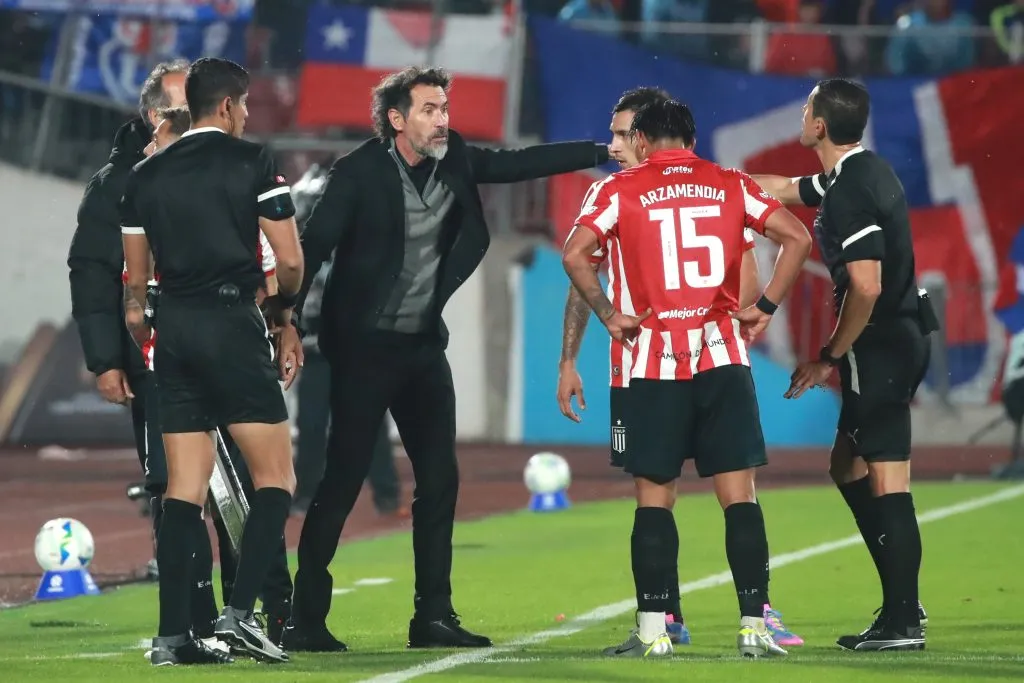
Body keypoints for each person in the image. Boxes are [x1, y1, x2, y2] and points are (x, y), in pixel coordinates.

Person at [286, 66, 611, 652]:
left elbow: (516, 164)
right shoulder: (357, 173)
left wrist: (599, 152)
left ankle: (432, 615)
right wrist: (286, 321)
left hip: (420, 349)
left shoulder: (454, 156)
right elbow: (313, 247)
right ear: (397, 119)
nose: (443, 120)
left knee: (440, 480)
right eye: (430, 110)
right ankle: (305, 618)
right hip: (362, 351)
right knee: (342, 480)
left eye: (445, 109)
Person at [556, 87, 804, 649]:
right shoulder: (731, 184)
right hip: (721, 358)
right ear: (692, 140)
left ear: (642, 139)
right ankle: (755, 625)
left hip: (649, 364)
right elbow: (797, 236)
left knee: (654, 500)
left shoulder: (617, 190)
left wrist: (610, 315)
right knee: (740, 497)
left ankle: (656, 631)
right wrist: (765, 307)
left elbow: (574, 256)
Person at [120, 57, 304, 666]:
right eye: (243, 104)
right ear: (226, 106)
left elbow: (135, 288)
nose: (246, 115)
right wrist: (283, 309)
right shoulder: (252, 160)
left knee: (184, 490)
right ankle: (240, 616)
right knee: (276, 479)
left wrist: (151, 327)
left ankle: (173, 637)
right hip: (232, 325)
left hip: (174, 331)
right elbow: (290, 261)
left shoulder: (144, 176)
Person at [750, 78, 934, 652]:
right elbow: (782, 188)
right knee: (846, 466)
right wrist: (706, 181)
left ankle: (903, 619)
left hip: (880, 346)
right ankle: (903, 598)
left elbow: (867, 285)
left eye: (806, 107)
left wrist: (829, 356)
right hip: (897, 337)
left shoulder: (851, 189)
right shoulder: (853, 173)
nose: (802, 115)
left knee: (887, 477)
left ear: (820, 125)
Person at [68, 59, 188, 577]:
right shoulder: (116, 183)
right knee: (167, 472)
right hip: (153, 351)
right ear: (153, 115)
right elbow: (92, 272)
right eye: (182, 106)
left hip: (222, 344)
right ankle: (178, 583)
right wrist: (105, 360)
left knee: (241, 473)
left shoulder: (228, 164)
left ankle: (248, 595)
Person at [289, 166, 407, 518]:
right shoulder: (299, 252)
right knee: (311, 424)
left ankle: (387, 493)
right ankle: (306, 494)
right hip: (317, 348)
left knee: (367, 421)